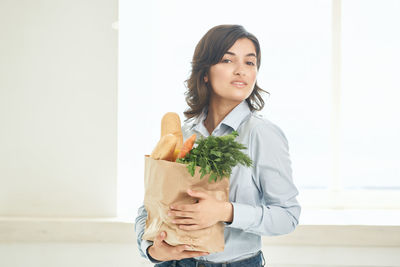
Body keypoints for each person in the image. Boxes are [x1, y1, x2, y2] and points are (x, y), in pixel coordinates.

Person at [135, 24, 301, 267]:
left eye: (250, 63)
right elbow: (148, 208)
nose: (241, 71)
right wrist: (152, 250)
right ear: (205, 72)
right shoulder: (183, 134)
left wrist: (226, 212)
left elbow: (288, 216)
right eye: (227, 60)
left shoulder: (261, 134)